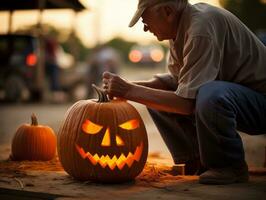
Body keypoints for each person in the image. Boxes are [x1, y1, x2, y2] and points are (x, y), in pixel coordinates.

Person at [102, 0, 266, 184]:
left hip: (261, 102)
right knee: (153, 94)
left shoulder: (200, 29)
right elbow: (178, 83)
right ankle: (195, 162)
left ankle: (228, 166)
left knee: (210, 95)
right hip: (242, 99)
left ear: (167, 11)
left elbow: (186, 103)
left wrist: (130, 90)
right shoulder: (179, 31)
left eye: (145, 21)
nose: (145, 29)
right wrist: (126, 87)